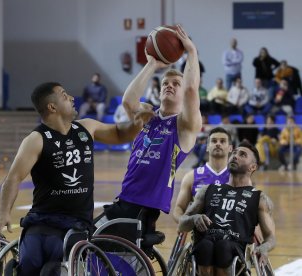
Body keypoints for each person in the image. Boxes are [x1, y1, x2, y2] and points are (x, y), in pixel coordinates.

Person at [0, 82, 154, 274]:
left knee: (54, 271)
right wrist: (3, 211)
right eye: (64, 95)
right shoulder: (36, 139)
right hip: (41, 221)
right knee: (27, 264)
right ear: (52, 107)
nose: (71, 98)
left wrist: (138, 121)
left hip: (75, 224)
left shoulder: (86, 128)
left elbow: (120, 134)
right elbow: (13, 178)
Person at [95, 25, 201, 240]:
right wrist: (152, 64)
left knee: (97, 247)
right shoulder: (148, 115)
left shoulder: (185, 125)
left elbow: (191, 90)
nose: (169, 86)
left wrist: (191, 52)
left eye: (176, 84)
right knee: (86, 242)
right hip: (124, 199)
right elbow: (128, 102)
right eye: (165, 83)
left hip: (144, 206)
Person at [179, 141, 276, 275]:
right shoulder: (207, 190)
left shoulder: (259, 198)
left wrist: (264, 248)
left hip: (234, 249)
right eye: (234, 153)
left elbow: (271, 238)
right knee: (205, 246)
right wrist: (194, 218)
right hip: (205, 245)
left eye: (242, 155)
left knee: (223, 247)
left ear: (252, 167)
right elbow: (182, 224)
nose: (235, 156)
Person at [173, 127, 232, 223]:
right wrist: (186, 221)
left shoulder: (238, 176)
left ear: (230, 148)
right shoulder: (191, 176)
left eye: (222, 141)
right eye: (214, 141)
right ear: (207, 147)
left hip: (230, 235)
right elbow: (178, 209)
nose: (218, 144)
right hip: (201, 235)